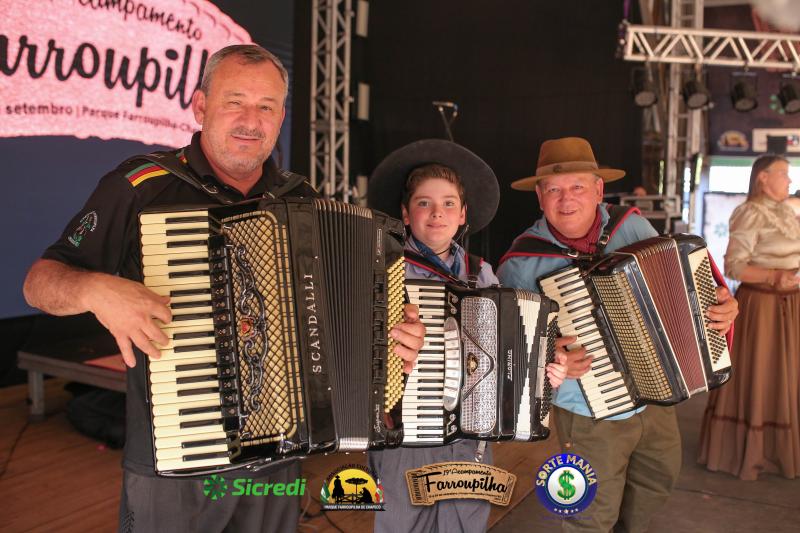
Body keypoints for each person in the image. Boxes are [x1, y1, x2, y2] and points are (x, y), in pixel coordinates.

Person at [22, 44, 425, 533]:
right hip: (177, 461)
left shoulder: (301, 199)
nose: (251, 121)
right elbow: (39, 283)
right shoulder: (141, 185)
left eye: (266, 107)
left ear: (280, 118)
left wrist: (393, 341)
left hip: (279, 456)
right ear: (200, 106)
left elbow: (350, 314)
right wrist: (96, 290)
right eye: (235, 102)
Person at [497, 137, 738, 533]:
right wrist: (549, 354)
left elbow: (683, 284)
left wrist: (722, 305)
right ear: (539, 197)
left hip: (656, 395)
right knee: (588, 512)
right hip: (586, 411)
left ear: (598, 190)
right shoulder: (521, 262)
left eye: (577, 186)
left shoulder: (633, 225)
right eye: (553, 189)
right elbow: (506, 349)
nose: (566, 198)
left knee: (656, 483)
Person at [367, 139, 568, 533]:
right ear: (405, 214)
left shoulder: (481, 273)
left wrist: (545, 372)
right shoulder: (384, 269)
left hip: (471, 438)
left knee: (464, 523)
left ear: (462, 214)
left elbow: (511, 348)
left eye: (448, 203)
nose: (436, 213)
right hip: (404, 437)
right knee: (401, 523)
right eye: (424, 203)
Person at [698, 154, 800, 480]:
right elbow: (733, 267)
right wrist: (773, 276)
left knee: (786, 375)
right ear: (763, 178)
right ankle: (753, 451)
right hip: (762, 307)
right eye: (783, 173)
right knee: (760, 375)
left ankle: (780, 449)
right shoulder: (749, 212)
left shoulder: (788, 211)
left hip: (790, 305)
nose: (790, 180)